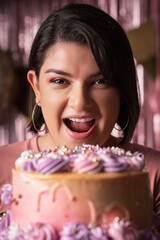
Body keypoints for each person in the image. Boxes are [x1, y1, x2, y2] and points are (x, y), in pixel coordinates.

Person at [0, 3, 159, 220]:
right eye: (59, 81)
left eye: (100, 81)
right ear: (36, 87)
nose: (80, 102)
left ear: (121, 90)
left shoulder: (152, 173)